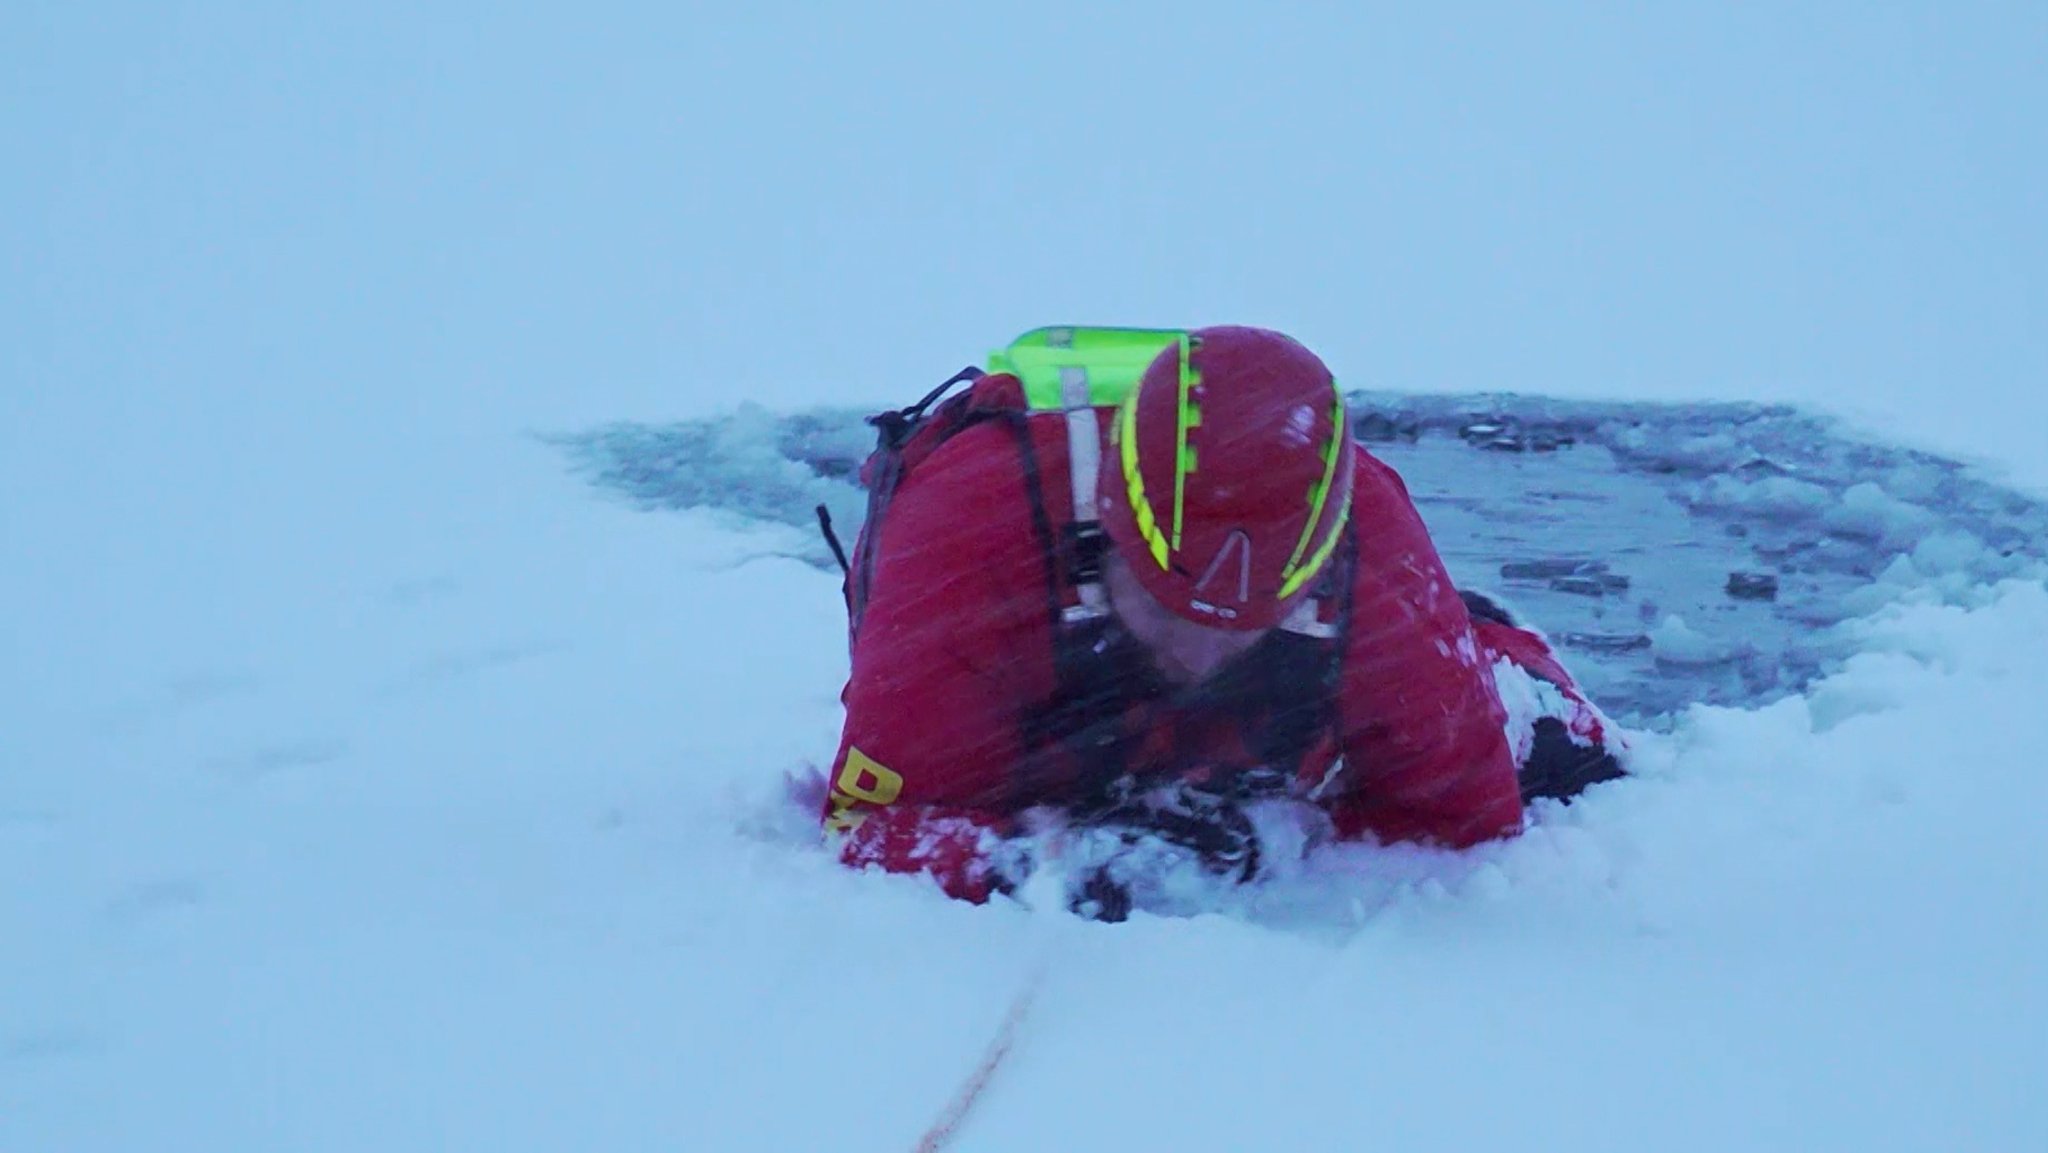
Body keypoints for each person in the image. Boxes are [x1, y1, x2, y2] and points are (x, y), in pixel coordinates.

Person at [820, 325, 1623, 920]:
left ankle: (1500, 653)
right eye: (1170, 612)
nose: (1200, 652)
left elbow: (1465, 824)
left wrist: (1273, 833)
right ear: (1109, 539)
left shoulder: (1374, 557)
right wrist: (1048, 861)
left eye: (1238, 627)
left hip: (1304, 680)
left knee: (1564, 753)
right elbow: (866, 826)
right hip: (1023, 659)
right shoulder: (967, 537)